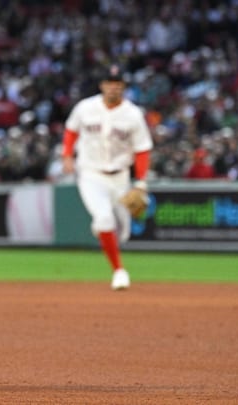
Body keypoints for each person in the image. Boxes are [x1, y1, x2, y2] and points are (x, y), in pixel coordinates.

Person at [61, 63, 153, 291]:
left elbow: (142, 150)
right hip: (90, 174)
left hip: (121, 177)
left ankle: (103, 227)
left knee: (122, 235)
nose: (113, 88)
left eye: (118, 84)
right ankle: (119, 271)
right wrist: (66, 155)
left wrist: (140, 182)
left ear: (123, 87)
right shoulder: (85, 108)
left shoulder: (133, 114)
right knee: (104, 220)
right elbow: (71, 130)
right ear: (102, 85)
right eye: (109, 83)